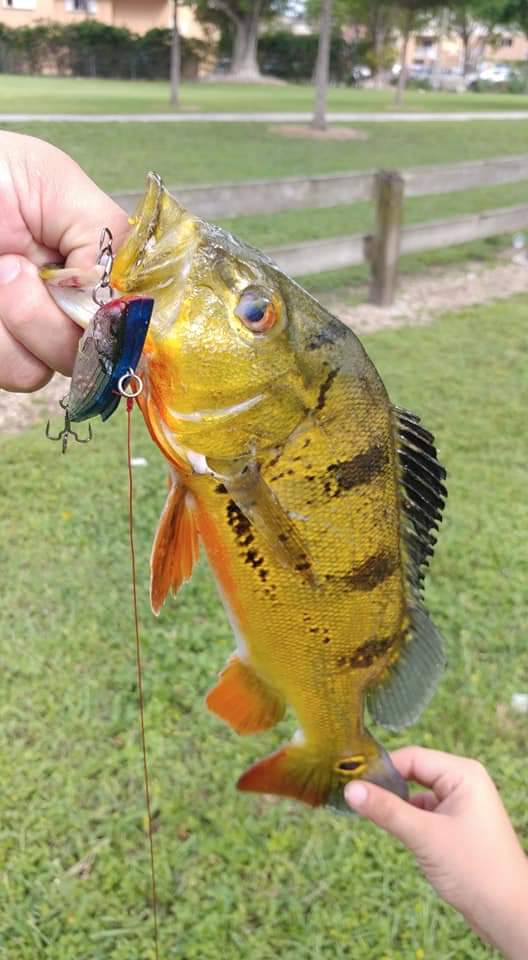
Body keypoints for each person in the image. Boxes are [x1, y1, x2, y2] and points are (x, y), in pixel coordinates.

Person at [1, 131, 527, 957]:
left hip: (318, 649)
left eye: (253, 312)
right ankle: (322, 733)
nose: (196, 258)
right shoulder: (224, 459)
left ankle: (331, 742)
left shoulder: (240, 463)